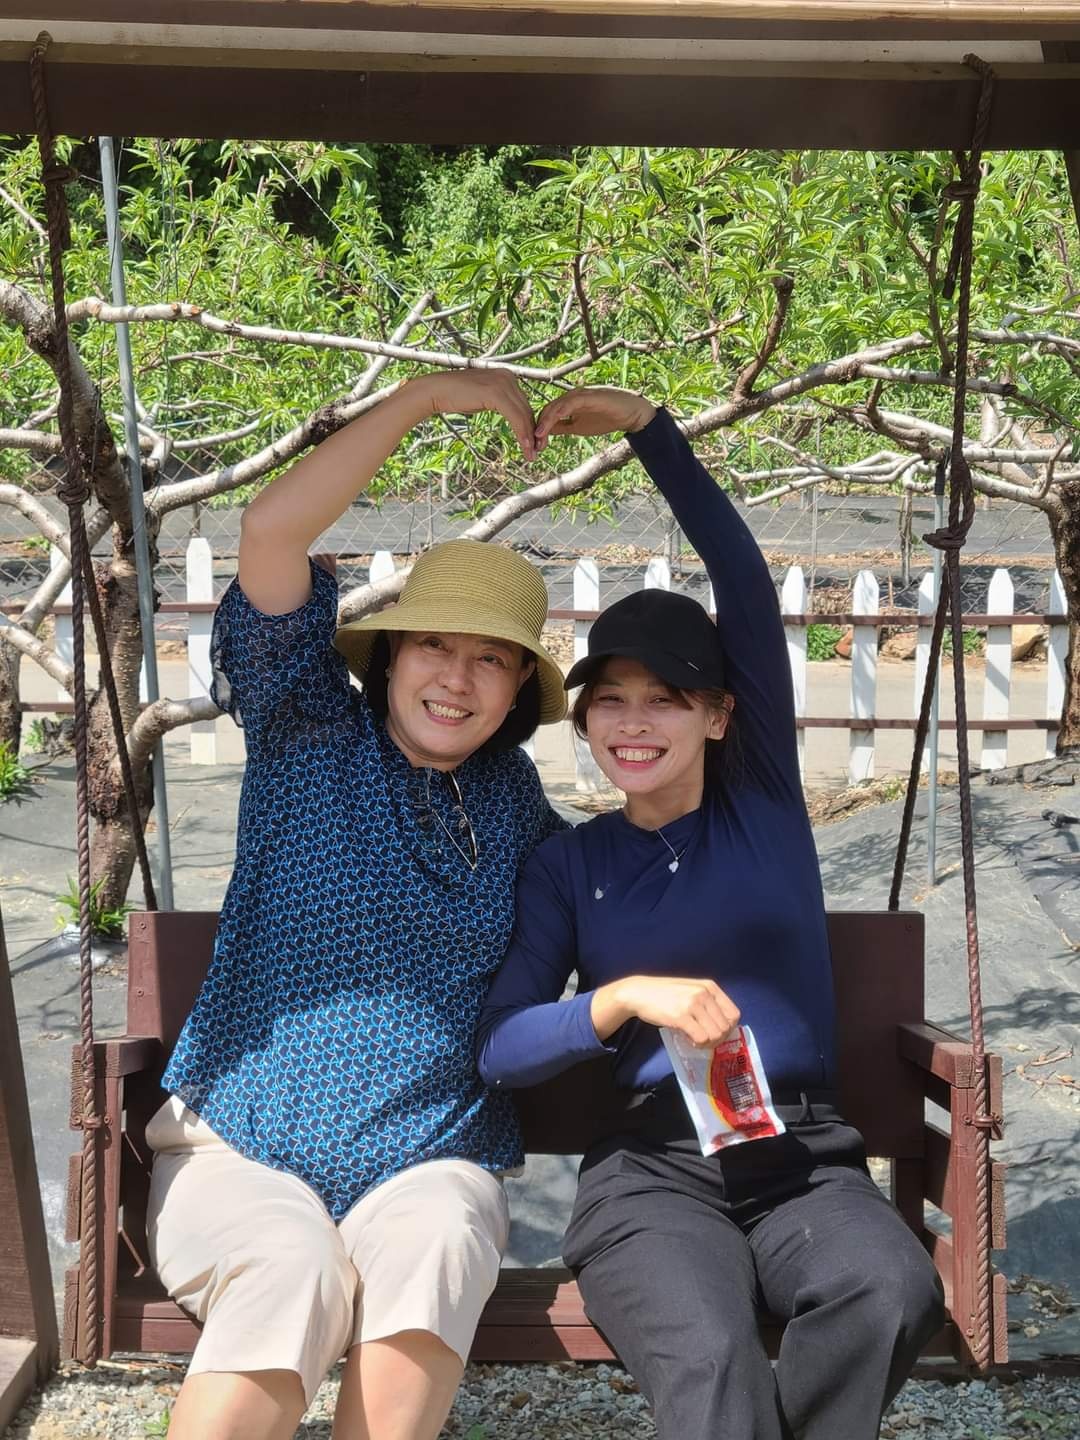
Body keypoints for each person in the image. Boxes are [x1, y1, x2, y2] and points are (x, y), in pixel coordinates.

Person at [476, 387, 945, 1440]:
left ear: (720, 715)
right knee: (712, 1354)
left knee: (888, 1290)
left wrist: (650, 429)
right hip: (650, 1177)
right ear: (584, 718)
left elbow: (740, 577)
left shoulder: (761, 808)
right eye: (609, 698)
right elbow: (500, 1050)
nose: (632, 722)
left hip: (801, 1163)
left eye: (666, 698)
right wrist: (621, 999)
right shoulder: (569, 865)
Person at [145, 370, 569, 1440]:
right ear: (389, 656)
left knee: (441, 1240)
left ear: (518, 692)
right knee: (292, 1265)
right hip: (241, 1147)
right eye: (435, 646)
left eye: (490, 661)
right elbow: (271, 531)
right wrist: (426, 398)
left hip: (428, 1159)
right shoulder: (306, 730)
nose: (457, 680)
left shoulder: (520, 807)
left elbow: (640, 880)